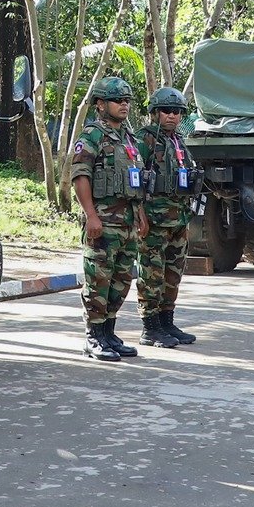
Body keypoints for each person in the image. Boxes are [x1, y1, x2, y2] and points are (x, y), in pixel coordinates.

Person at [70, 75, 146, 362]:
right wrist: (90, 215)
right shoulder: (92, 135)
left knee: (121, 279)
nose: (124, 105)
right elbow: (80, 176)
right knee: (98, 281)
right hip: (102, 220)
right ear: (100, 104)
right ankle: (93, 337)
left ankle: (109, 333)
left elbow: (135, 180)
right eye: (118, 100)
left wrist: (139, 214)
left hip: (126, 221)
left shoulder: (129, 137)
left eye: (127, 100)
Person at [135, 86, 197, 349]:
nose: (172, 116)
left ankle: (166, 321)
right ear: (154, 112)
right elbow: (134, 180)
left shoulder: (179, 141)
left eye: (177, 112)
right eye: (166, 111)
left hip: (178, 219)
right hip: (154, 220)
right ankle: (150, 328)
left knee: (173, 273)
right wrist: (140, 215)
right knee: (151, 274)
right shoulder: (144, 140)